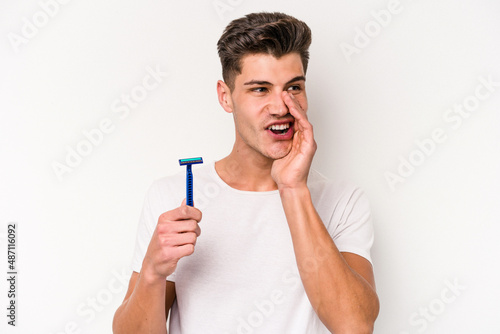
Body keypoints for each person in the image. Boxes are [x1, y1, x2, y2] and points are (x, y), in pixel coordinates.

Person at [113, 12, 379, 334]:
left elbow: (354, 326)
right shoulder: (174, 197)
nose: (282, 107)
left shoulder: (342, 201)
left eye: (293, 87)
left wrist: (293, 188)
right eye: (260, 89)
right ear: (226, 97)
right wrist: (153, 272)